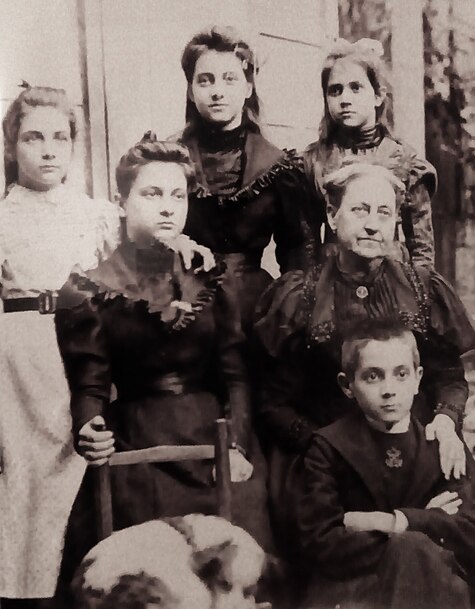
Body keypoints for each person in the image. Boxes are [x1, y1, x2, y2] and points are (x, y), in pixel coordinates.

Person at [254, 161, 475, 608]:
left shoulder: (421, 287)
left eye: (385, 213)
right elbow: (274, 403)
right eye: (360, 210)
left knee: (464, 525)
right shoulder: (303, 295)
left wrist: (446, 421)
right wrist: (326, 449)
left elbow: (447, 377)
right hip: (332, 453)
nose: (372, 223)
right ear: (332, 216)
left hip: (415, 442)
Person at [54, 136, 271, 606]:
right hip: (138, 439)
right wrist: (88, 426)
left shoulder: (210, 278)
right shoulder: (88, 289)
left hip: (215, 437)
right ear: (122, 202)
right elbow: (90, 384)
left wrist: (234, 444)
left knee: (241, 545)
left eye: (178, 195)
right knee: (144, 569)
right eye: (151, 194)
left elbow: (234, 373)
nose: (168, 208)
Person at [0, 83, 120, 608]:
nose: (48, 149)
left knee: (79, 477)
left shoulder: (96, 216)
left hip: (81, 354)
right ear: (10, 147)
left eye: (59, 137)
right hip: (18, 360)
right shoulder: (3, 218)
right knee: (20, 487)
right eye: (33, 138)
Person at [296, 319, 475, 609]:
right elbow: (320, 541)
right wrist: (424, 525)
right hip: (355, 590)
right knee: (411, 547)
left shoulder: (439, 445)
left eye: (401, 374)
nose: (389, 390)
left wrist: (394, 521)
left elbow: (469, 528)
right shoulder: (328, 447)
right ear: (347, 385)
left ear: (418, 378)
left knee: (414, 550)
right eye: (373, 376)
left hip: (431, 587)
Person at [174, 25, 319, 338]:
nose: (217, 91)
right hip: (184, 308)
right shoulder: (171, 161)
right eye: (205, 80)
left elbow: (298, 255)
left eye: (230, 79)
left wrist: (289, 314)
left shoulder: (278, 168)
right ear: (190, 90)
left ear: (248, 87)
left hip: (252, 312)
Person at [303, 38, 436, 266]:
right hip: (332, 282)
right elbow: (305, 247)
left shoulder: (404, 161)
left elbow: (421, 248)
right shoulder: (313, 161)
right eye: (335, 91)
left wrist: (419, 296)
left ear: (377, 96)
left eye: (356, 88)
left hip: (390, 281)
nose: (345, 99)